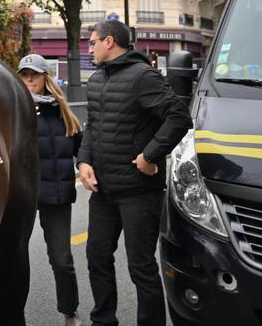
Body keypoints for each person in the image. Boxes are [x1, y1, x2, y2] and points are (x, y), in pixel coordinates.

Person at [77, 20, 192, 326]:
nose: (89, 49)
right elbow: (92, 127)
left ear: (109, 41)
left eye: (92, 42)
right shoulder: (96, 79)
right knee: (97, 259)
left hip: (139, 193)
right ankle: (103, 320)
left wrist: (150, 155)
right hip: (103, 192)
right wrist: (83, 162)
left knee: (141, 268)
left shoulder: (143, 76)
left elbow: (179, 116)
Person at [17, 54, 83, 326]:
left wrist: (87, 166)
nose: (29, 79)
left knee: (62, 259)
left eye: (34, 74)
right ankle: (12, 312)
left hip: (56, 195)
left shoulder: (63, 112)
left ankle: (70, 311)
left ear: (45, 77)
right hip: (22, 196)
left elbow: (83, 148)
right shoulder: (14, 109)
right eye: (24, 74)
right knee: (14, 258)